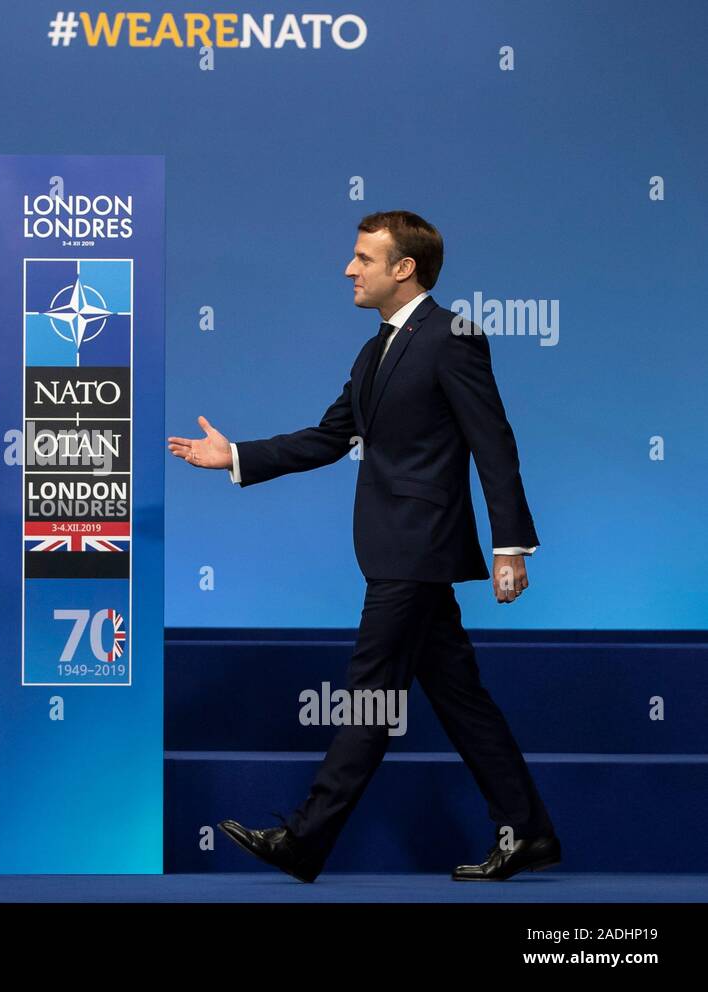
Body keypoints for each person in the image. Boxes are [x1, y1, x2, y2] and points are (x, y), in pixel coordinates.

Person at [167, 210, 559, 882]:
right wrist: (233, 454)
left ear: (403, 268)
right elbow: (329, 436)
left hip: (417, 546)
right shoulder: (373, 349)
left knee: (370, 695)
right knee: (459, 697)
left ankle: (306, 837)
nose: (349, 269)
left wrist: (510, 546)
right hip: (395, 547)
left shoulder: (453, 336)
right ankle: (526, 830)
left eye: (363, 258)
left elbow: (493, 443)